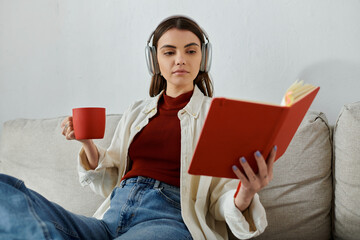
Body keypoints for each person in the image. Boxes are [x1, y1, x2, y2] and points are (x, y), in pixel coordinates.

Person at [0, 15, 276, 240]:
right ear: (154, 60)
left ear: (203, 58)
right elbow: (109, 179)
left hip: (168, 221)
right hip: (111, 217)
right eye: (169, 52)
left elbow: (220, 201)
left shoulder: (220, 118)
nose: (180, 59)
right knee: (7, 191)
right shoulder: (136, 112)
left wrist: (247, 193)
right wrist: (86, 143)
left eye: (190, 51)